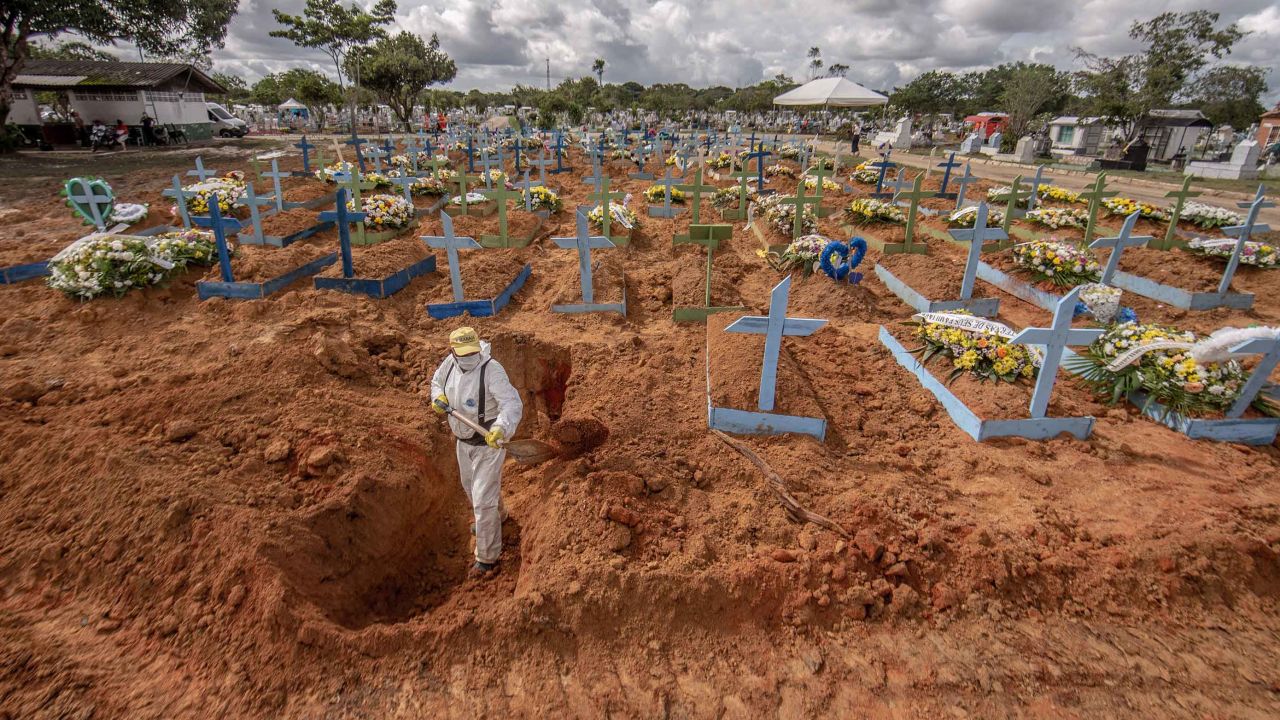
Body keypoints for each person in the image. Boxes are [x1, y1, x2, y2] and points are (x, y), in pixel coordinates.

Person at [430, 327, 523, 578]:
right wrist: (438, 397)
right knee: (471, 489)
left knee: (482, 501)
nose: (468, 357)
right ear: (453, 351)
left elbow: (511, 404)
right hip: (463, 443)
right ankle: (498, 517)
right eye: (462, 353)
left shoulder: (492, 370)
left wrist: (501, 428)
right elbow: (436, 383)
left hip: (488, 445)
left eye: (472, 352)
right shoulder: (449, 364)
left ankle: (487, 558)